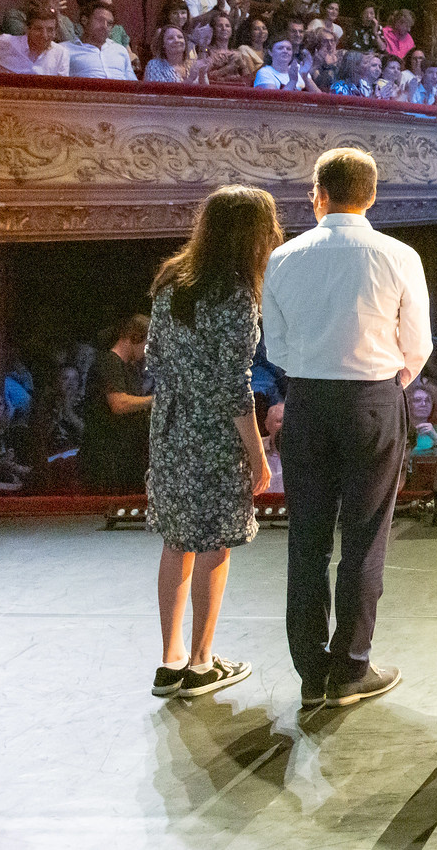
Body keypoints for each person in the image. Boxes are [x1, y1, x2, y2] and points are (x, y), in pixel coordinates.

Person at [262, 148, 432, 711]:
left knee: (306, 540)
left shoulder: (283, 258)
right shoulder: (398, 254)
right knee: (364, 538)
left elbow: (278, 347)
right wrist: (386, 386)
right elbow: (419, 344)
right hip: (373, 400)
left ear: (318, 194)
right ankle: (350, 669)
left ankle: (312, 674)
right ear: (373, 195)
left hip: (307, 401)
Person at [143, 187, 283, 700]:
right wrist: (257, 454)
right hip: (215, 434)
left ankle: (170, 660)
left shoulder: (170, 282)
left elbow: (154, 359)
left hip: (171, 426)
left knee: (176, 541)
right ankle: (202, 663)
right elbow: (233, 386)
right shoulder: (236, 294)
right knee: (214, 544)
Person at [80, 314, 151, 491]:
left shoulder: (129, 368)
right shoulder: (108, 363)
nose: (147, 351)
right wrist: (156, 401)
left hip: (125, 456)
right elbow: (118, 404)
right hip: (107, 458)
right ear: (135, 337)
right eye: (146, 345)